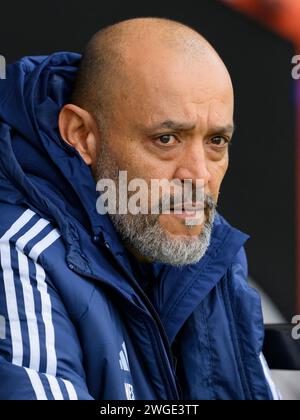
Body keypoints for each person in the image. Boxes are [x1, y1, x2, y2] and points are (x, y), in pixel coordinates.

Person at [0, 18, 279, 400]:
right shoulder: (16, 251)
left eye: (216, 141)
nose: (197, 176)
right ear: (82, 135)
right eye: (166, 139)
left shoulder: (213, 256)